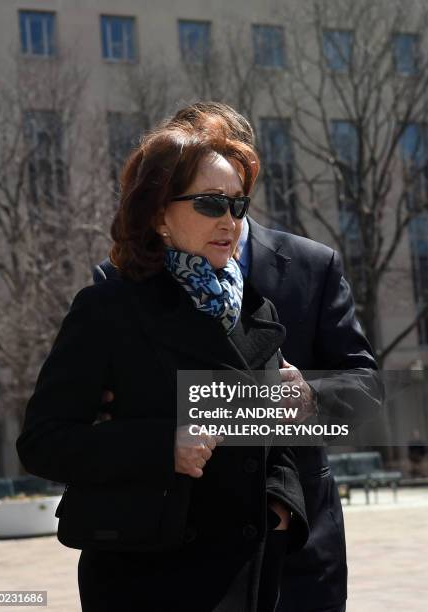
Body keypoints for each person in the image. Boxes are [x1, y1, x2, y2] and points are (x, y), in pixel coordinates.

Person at [94, 102, 383, 612]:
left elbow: (366, 389)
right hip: (173, 552)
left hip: (297, 546)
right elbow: (74, 425)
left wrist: (311, 399)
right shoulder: (120, 286)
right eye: (204, 197)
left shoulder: (313, 266)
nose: (224, 213)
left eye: (232, 196)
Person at [16, 117, 309, 612]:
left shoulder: (257, 311)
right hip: (147, 578)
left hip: (250, 572)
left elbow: (270, 445)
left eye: (238, 205)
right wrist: (162, 445)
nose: (230, 220)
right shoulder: (108, 309)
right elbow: (42, 443)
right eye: (211, 203)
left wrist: (283, 506)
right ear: (157, 214)